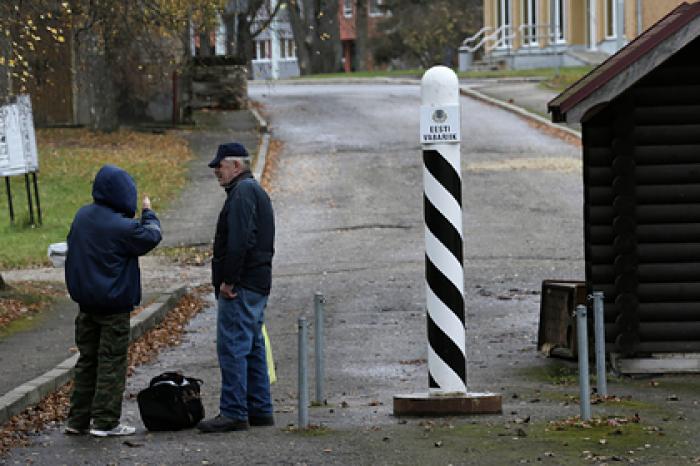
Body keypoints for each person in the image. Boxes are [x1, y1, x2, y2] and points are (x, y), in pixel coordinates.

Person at [63, 164, 162, 437]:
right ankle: (106, 422)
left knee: (87, 361)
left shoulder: (82, 216)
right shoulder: (123, 227)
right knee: (111, 362)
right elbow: (152, 236)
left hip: (86, 305)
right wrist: (148, 212)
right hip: (114, 307)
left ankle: (77, 420)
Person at [197, 142, 275, 433]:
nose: (217, 170)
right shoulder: (254, 191)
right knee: (252, 345)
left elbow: (240, 241)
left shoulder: (242, 194)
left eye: (221, 165)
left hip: (241, 284)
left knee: (232, 346)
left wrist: (228, 280)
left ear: (236, 166)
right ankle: (260, 409)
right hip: (257, 281)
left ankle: (233, 411)